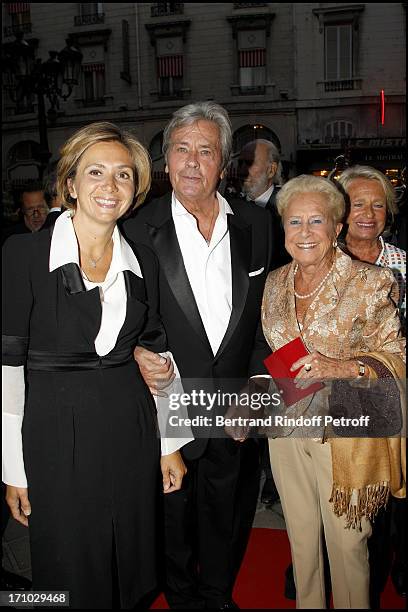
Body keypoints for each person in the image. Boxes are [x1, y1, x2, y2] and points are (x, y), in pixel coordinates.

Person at [2, 121, 187, 609]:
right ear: (70, 184)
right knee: (69, 563)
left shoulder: (143, 258)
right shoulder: (24, 253)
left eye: (124, 175)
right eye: (96, 172)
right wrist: (13, 469)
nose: (111, 186)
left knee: (129, 559)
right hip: (54, 435)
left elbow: (158, 352)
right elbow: (7, 368)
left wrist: (169, 445)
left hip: (130, 428)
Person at [122, 101, 272, 609]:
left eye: (205, 151)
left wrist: (255, 389)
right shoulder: (137, 229)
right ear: (165, 161)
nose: (191, 162)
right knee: (173, 522)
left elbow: (266, 324)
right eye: (180, 149)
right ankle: (184, 599)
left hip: (235, 406)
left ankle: (217, 596)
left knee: (227, 516)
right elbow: (135, 320)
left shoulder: (256, 223)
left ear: (224, 163)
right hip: (171, 409)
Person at [259, 175, 405, 609]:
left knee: (347, 548)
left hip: (348, 430)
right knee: (301, 542)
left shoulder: (372, 283)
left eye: (316, 221)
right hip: (288, 432)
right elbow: (280, 355)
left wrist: (345, 367)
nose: (304, 233)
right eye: (294, 222)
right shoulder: (274, 283)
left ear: (336, 228)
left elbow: (397, 354)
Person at [337, 165, 407, 602]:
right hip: (337, 404)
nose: (368, 213)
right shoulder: (321, 259)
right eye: (357, 203)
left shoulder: (402, 264)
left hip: (395, 395)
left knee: (392, 499)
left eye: (378, 204)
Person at [237, 139, 290, 268]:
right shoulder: (232, 207)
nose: (242, 170)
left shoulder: (289, 207)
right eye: (240, 163)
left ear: (271, 170)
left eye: (249, 163)